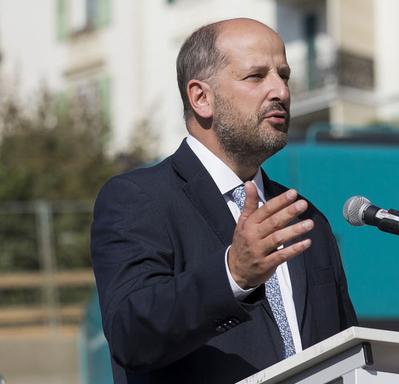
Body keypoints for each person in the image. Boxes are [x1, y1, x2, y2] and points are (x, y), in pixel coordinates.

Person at [90, 18, 357, 384]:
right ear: (201, 97)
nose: (280, 90)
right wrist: (232, 275)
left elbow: (344, 352)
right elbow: (131, 335)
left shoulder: (304, 218)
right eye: (256, 76)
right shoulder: (138, 199)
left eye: (284, 75)